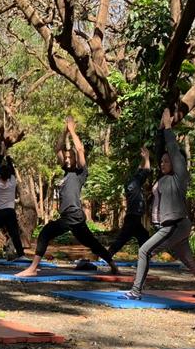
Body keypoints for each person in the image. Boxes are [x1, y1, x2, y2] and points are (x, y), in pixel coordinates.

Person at [124, 108, 195, 300]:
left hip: (174, 225)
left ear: (176, 163)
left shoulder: (178, 177)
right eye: (162, 161)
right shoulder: (163, 178)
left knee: (144, 251)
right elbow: (161, 150)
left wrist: (167, 128)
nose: (162, 163)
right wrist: (159, 130)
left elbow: (173, 149)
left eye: (166, 161)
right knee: (188, 259)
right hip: (174, 226)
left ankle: (135, 291)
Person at [14, 117, 117, 277]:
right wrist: (64, 131)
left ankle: (32, 268)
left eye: (71, 157)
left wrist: (72, 131)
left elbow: (81, 150)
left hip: (73, 214)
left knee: (45, 233)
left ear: (76, 159)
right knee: (91, 243)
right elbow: (58, 149)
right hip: (72, 217)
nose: (67, 159)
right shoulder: (65, 173)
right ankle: (113, 265)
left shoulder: (80, 173)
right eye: (66, 157)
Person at [105, 146, 151, 260]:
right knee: (123, 238)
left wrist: (143, 159)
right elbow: (147, 170)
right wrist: (147, 157)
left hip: (133, 216)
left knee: (143, 235)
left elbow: (141, 170)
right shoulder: (135, 184)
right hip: (133, 217)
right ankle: (108, 255)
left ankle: (144, 257)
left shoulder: (132, 183)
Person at [0, 152, 25, 259]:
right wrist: (9, 159)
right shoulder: (12, 183)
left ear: (0, 175)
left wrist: (1, 155)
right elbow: (12, 172)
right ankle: (21, 255)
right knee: (14, 234)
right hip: (10, 212)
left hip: (0, 213)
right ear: (8, 176)